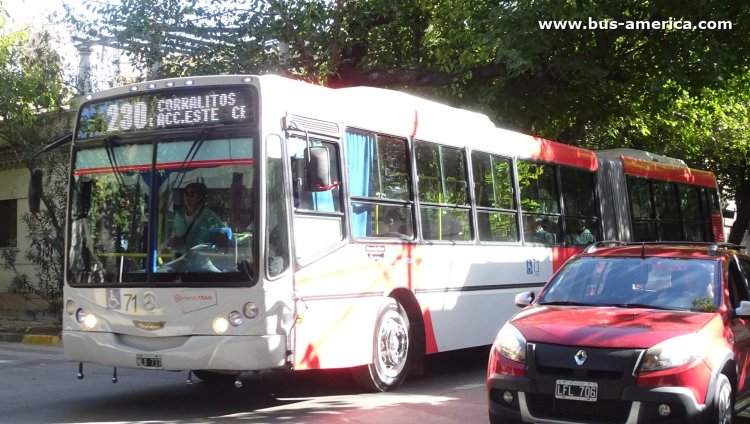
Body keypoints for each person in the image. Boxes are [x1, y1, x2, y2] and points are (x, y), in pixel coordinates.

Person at [168, 182, 224, 257]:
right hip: (180, 261)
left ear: (200, 197)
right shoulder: (179, 215)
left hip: (201, 263)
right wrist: (172, 242)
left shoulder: (209, 217)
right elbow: (173, 234)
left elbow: (221, 238)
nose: (187, 197)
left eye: (191, 194)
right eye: (185, 193)